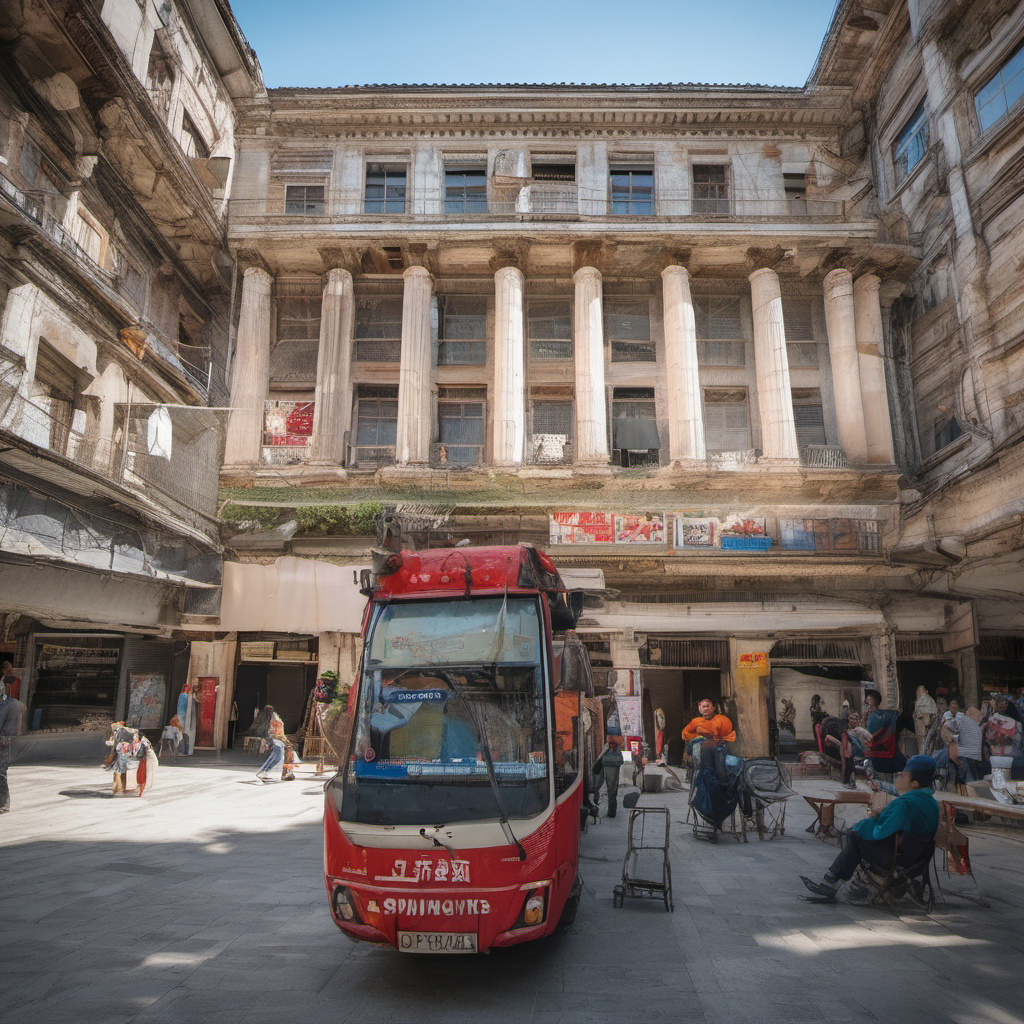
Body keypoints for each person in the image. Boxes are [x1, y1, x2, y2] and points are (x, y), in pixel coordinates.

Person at [800, 754, 940, 899]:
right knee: (858, 835)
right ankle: (834, 880)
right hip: (917, 859)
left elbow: (881, 832)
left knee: (855, 837)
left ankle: (831, 880)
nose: (899, 778)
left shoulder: (905, 803)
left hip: (898, 859)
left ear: (915, 783)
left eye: (903, 776)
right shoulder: (932, 803)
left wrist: (864, 826)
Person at [862, 688, 907, 776]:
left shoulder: (875, 716)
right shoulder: (880, 715)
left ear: (872, 701)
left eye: (868, 701)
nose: (867, 704)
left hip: (877, 748)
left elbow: (869, 734)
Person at [0, 676, 27, 812]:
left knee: (1, 772)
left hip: (3, 741)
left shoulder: (10, 704)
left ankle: (3, 803)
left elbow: (21, 706)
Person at [592, 738, 624, 818]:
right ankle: (599, 806)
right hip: (607, 768)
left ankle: (611, 811)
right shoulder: (607, 750)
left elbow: (620, 761)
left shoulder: (614, 751)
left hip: (611, 769)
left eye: (612, 743)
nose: (611, 745)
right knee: (602, 788)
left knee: (612, 790)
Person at [255, 705, 286, 782]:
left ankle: (263, 771)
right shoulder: (266, 718)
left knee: (275, 756)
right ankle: (264, 771)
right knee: (277, 756)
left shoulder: (272, 716)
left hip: (277, 738)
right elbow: (269, 729)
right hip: (275, 738)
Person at [913, 685, 937, 754]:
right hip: (920, 725)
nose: (918, 692)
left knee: (925, 743)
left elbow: (926, 712)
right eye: (917, 690)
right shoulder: (919, 700)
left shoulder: (926, 699)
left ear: (926, 691)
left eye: (920, 690)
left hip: (925, 726)